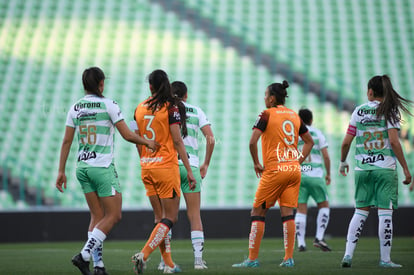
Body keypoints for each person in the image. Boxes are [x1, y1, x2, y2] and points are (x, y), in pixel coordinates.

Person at [55, 67, 159, 275]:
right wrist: (147, 142)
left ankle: (99, 266)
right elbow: (127, 135)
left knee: (97, 216)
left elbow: (67, 140)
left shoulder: (75, 108)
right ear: (101, 83)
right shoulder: (109, 105)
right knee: (114, 215)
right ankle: (84, 256)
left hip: (82, 167)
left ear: (85, 85)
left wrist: (60, 171)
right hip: (101, 168)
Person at [232, 80, 314, 268]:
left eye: (265, 95)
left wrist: (256, 163)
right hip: (293, 171)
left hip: (275, 170)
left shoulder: (266, 114)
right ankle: (288, 258)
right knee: (288, 213)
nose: (264, 98)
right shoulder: (294, 115)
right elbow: (309, 142)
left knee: (257, 212)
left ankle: (252, 259)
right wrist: (297, 161)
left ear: (272, 98)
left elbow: (252, 142)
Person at [339, 75, 413, 268]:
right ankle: (385, 260)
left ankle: (347, 255)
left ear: (370, 92)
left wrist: (342, 162)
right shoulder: (390, 110)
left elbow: (346, 141)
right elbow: (395, 142)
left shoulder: (358, 111)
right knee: (385, 214)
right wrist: (406, 168)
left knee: (360, 212)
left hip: (362, 169)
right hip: (385, 169)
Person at [131, 69, 197, 274]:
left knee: (159, 218)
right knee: (171, 218)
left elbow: (136, 138)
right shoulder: (171, 108)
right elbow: (177, 141)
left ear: (150, 86)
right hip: (166, 168)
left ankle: (168, 265)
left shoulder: (138, 108)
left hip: (147, 167)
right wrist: (189, 170)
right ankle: (143, 255)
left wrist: (145, 158)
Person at [156, 81, 214, 270]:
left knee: (166, 216)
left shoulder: (165, 111)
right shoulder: (196, 111)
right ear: (186, 95)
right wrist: (205, 163)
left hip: (170, 166)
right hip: (192, 167)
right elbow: (211, 139)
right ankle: (198, 261)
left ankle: (165, 261)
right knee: (194, 214)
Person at [295, 108, 332, 252]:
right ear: (311, 120)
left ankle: (301, 243)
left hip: (300, 174)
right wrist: (328, 174)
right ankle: (319, 237)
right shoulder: (317, 133)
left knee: (300, 209)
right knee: (324, 206)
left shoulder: (295, 134)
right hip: (316, 174)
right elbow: (326, 156)